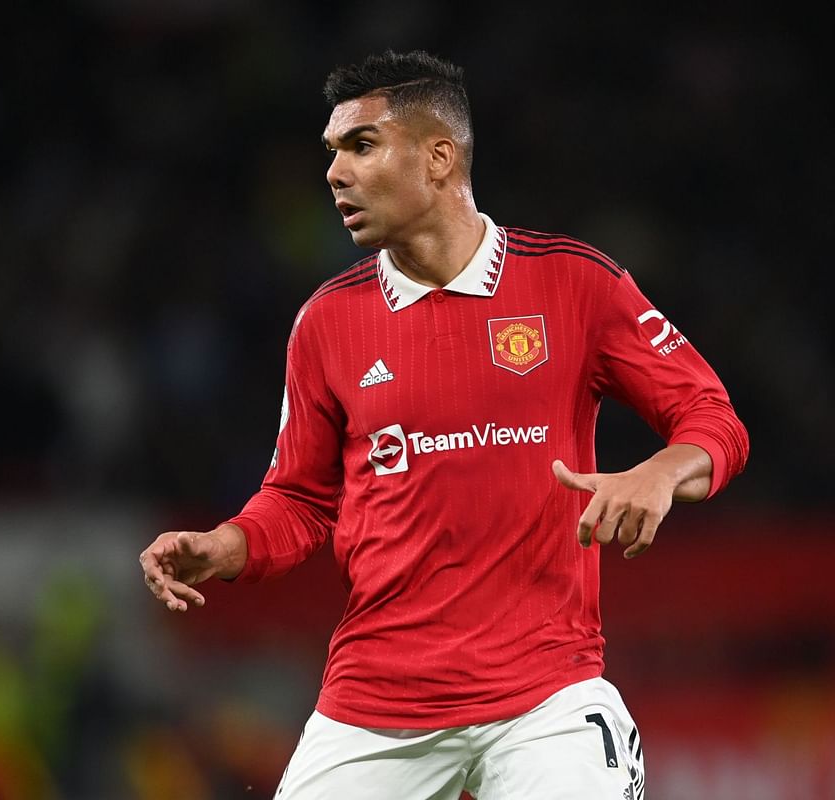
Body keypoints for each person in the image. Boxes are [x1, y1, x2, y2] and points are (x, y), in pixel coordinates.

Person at [140, 50, 748, 799]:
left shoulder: (573, 282)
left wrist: (659, 472)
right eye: (332, 152)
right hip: (375, 705)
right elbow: (299, 498)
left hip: (546, 697)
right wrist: (225, 544)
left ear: (438, 157)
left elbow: (713, 418)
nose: (334, 173)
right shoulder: (327, 323)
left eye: (361, 145)